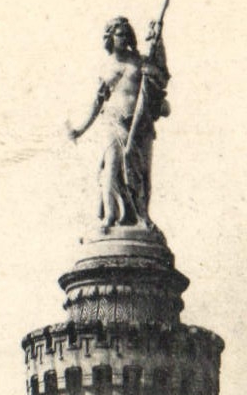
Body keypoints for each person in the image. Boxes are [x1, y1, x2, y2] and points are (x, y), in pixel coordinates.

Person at [67, 14, 170, 232]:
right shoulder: (106, 67)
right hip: (113, 122)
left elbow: (161, 75)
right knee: (111, 168)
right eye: (118, 34)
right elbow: (98, 101)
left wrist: (158, 42)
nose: (123, 38)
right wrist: (80, 129)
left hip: (140, 125)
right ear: (110, 38)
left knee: (141, 172)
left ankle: (142, 216)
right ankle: (111, 217)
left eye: (125, 34)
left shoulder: (141, 62)